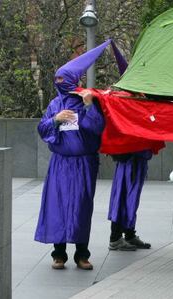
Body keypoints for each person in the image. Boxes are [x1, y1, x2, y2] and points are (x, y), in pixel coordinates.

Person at [34, 42, 111, 270]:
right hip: (60, 163)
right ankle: (59, 254)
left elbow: (97, 128)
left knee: (81, 206)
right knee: (57, 204)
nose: (61, 84)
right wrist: (56, 119)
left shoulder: (87, 100)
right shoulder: (54, 104)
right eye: (58, 80)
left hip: (83, 163)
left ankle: (81, 254)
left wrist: (88, 107)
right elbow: (42, 129)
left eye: (64, 80)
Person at [108, 151, 152, 250]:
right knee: (122, 199)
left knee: (132, 201)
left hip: (137, 158)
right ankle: (115, 238)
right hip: (128, 160)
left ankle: (129, 234)